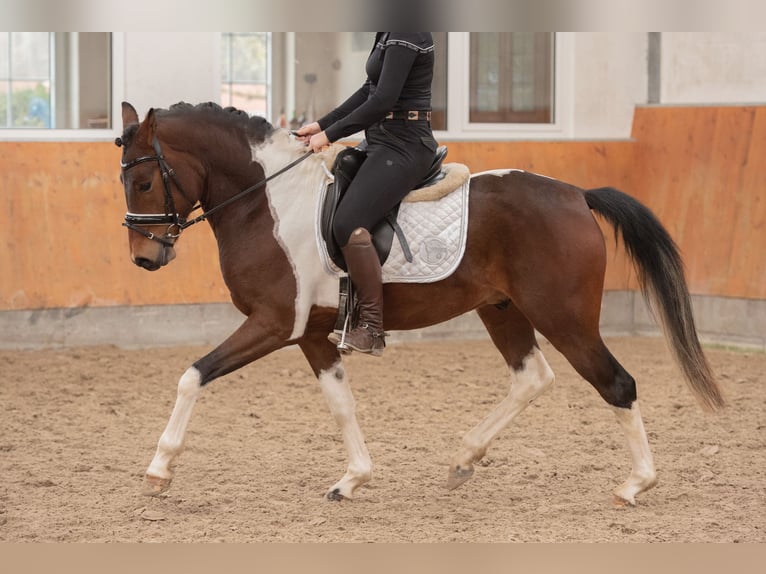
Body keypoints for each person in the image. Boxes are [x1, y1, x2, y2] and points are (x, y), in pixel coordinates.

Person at [296, 32, 437, 357]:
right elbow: (368, 91)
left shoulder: (408, 28)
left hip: (406, 145)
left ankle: (372, 327)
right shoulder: (388, 30)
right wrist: (321, 125)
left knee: (348, 221)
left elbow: (384, 101)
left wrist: (331, 134)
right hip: (381, 142)